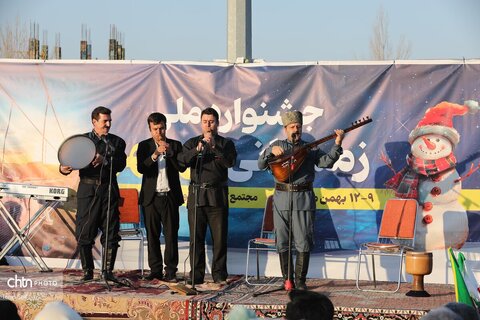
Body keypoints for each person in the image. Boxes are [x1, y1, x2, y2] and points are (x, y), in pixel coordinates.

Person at [257, 110, 344, 290]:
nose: (296, 129)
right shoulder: (277, 146)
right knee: (282, 240)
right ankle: (287, 280)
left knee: (303, 240)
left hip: (303, 198)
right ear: (285, 129)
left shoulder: (309, 148)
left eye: (298, 126)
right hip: (281, 199)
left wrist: (337, 143)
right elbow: (260, 164)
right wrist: (269, 151)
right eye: (292, 127)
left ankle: (300, 281)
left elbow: (326, 162)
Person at [60, 106, 127, 281]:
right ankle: (87, 271)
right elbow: (69, 161)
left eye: (110, 121)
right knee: (84, 232)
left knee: (111, 232)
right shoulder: (83, 141)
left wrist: (105, 160)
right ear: (94, 122)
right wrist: (63, 168)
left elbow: (120, 164)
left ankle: (107, 272)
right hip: (87, 190)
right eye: (104, 121)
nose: (108, 124)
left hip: (109, 189)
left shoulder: (117, 142)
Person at [180, 107, 237, 285]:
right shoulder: (192, 143)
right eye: (205, 122)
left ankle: (219, 275)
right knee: (195, 239)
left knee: (219, 239)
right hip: (197, 195)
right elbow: (181, 163)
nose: (208, 125)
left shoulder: (226, 143)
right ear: (201, 123)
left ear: (217, 123)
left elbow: (230, 163)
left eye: (211, 122)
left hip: (217, 196)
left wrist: (214, 148)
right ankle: (196, 275)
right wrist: (197, 150)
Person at [137, 112, 185, 282]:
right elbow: (141, 168)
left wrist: (170, 153)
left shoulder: (176, 145)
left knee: (171, 235)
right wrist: (155, 154)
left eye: (162, 128)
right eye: (155, 129)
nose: (159, 132)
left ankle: (171, 271)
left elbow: (181, 167)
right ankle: (155, 270)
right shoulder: (144, 146)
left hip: (170, 197)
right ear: (150, 130)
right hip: (151, 198)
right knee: (152, 235)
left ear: (166, 127)